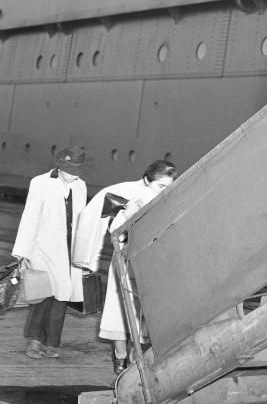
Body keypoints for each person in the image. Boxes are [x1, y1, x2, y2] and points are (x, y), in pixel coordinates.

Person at [75, 160, 177, 374]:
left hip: (149, 261)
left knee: (143, 312)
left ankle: (134, 354)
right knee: (119, 310)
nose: (165, 191)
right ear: (147, 180)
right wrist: (129, 213)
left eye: (169, 186)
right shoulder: (127, 194)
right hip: (124, 260)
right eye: (161, 186)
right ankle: (120, 354)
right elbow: (114, 229)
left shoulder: (165, 199)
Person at [12, 146, 88, 360]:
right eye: (70, 170)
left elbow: (82, 220)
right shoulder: (40, 183)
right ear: (60, 166)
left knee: (62, 298)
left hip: (68, 252)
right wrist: (23, 254)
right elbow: (30, 218)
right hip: (44, 249)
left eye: (77, 170)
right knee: (43, 297)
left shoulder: (81, 186)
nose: (74, 175)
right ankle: (34, 342)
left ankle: (52, 342)